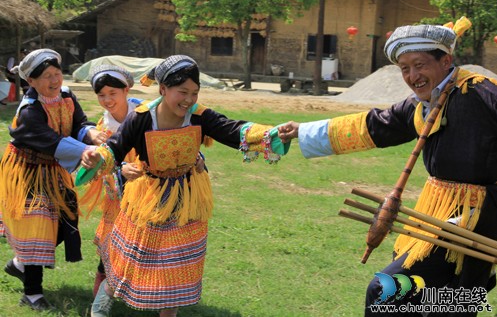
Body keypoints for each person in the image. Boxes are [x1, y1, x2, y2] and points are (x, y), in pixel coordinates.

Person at [278, 17, 497, 316]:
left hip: (475, 217)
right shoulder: (423, 103)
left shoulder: (484, 93)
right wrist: (303, 132)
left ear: (446, 60)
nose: (412, 75)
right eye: (404, 68)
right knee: (450, 302)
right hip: (439, 211)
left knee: (386, 291)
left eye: (419, 65)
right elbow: (374, 126)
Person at [78, 54, 289, 317]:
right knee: (133, 259)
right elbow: (115, 148)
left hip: (187, 198)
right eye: (182, 92)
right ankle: (101, 306)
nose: (189, 99)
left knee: (176, 266)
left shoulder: (199, 116)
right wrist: (96, 156)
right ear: (163, 89)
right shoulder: (141, 118)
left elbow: (232, 130)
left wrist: (272, 133)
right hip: (149, 198)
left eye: (195, 92)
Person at [0, 48, 107, 311]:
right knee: (36, 226)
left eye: (57, 73)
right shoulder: (29, 110)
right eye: (46, 76)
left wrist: (91, 134)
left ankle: (21, 264)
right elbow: (50, 140)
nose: (54, 80)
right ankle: (32, 292)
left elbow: (79, 123)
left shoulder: (67, 95)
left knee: (64, 221)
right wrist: (86, 150)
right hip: (27, 171)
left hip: (54, 168)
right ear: (31, 82)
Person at [81, 64, 145, 297]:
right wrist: (120, 169)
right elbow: (103, 165)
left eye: (113, 94)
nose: (107, 100)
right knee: (110, 244)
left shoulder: (145, 115)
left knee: (143, 245)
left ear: (127, 90)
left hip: (149, 194)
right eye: (101, 95)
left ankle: (145, 296)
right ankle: (100, 302)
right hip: (117, 197)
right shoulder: (102, 128)